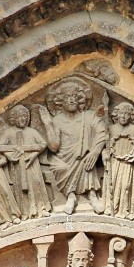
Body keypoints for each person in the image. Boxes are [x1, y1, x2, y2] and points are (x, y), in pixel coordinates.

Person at [38, 80, 107, 214]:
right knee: (61, 167)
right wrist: (48, 124)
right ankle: (71, 196)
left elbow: (103, 133)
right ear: (60, 102)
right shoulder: (57, 120)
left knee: (87, 159)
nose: (71, 100)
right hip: (62, 158)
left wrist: (95, 151)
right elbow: (53, 147)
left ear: (80, 100)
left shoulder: (88, 116)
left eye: (74, 96)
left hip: (85, 156)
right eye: (67, 97)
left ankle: (92, 196)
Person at [0, 105, 52, 218]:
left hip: (32, 163)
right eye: (19, 117)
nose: (22, 119)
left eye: (24, 116)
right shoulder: (9, 132)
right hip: (17, 163)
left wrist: (34, 155)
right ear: (13, 119)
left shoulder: (32, 131)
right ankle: (25, 212)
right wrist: (10, 156)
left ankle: (41, 208)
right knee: (20, 186)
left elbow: (43, 144)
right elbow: (0, 146)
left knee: (36, 183)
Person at [103, 102, 134, 219]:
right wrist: (104, 155)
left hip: (128, 162)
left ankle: (125, 210)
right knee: (111, 183)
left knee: (126, 186)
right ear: (116, 115)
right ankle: (109, 207)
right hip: (113, 161)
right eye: (121, 113)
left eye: (127, 114)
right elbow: (102, 144)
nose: (123, 116)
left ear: (131, 116)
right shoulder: (111, 128)